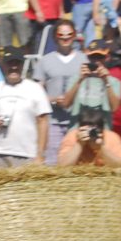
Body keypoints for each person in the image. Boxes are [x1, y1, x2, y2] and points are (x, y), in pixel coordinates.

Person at [0, 51, 51, 169]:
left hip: (26, 155)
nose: (14, 67)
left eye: (17, 63)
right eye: (10, 63)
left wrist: (40, 154)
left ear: (22, 65)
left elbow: (43, 122)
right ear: (3, 66)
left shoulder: (35, 89)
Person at [37, 23, 87, 162]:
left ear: (74, 36)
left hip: (77, 120)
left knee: (77, 161)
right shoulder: (45, 61)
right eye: (61, 35)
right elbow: (36, 93)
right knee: (53, 161)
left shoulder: (83, 59)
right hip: (53, 121)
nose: (65, 38)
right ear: (55, 37)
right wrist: (53, 99)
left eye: (69, 35)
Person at [57, 106, 121, 166]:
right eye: (87, 129)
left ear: (102, 130)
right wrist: (79, 144)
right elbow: (62, 165)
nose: (91, 133)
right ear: (80, 128)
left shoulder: (112, 137)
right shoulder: (72, 136)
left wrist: (101, 148)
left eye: (94, 130)